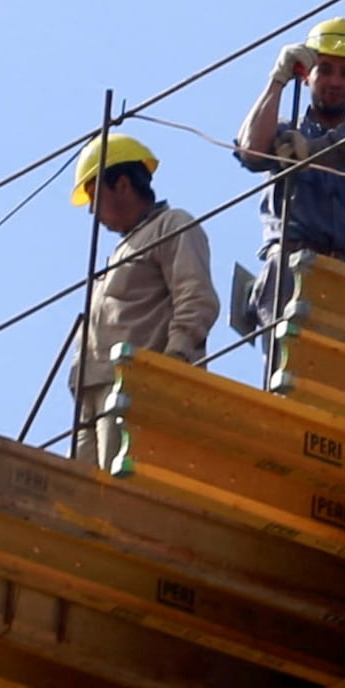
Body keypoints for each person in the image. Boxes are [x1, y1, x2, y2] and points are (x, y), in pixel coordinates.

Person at [234, 17, 345, 337]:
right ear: (307, 76)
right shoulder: (286, 133)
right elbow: (251, 152)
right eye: (324, 69)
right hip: (291, 268)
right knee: (287, 373)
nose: (335, 81)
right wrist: (278, 79)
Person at [68, 133, 216, 469]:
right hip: (91, 395)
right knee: (79, 499)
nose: (92, 210)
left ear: (121, 184)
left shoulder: (172, 225)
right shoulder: (121, 252)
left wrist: (173, 364)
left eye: (95, 195)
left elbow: (195, 298)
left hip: (131, 387)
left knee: (116, 493)